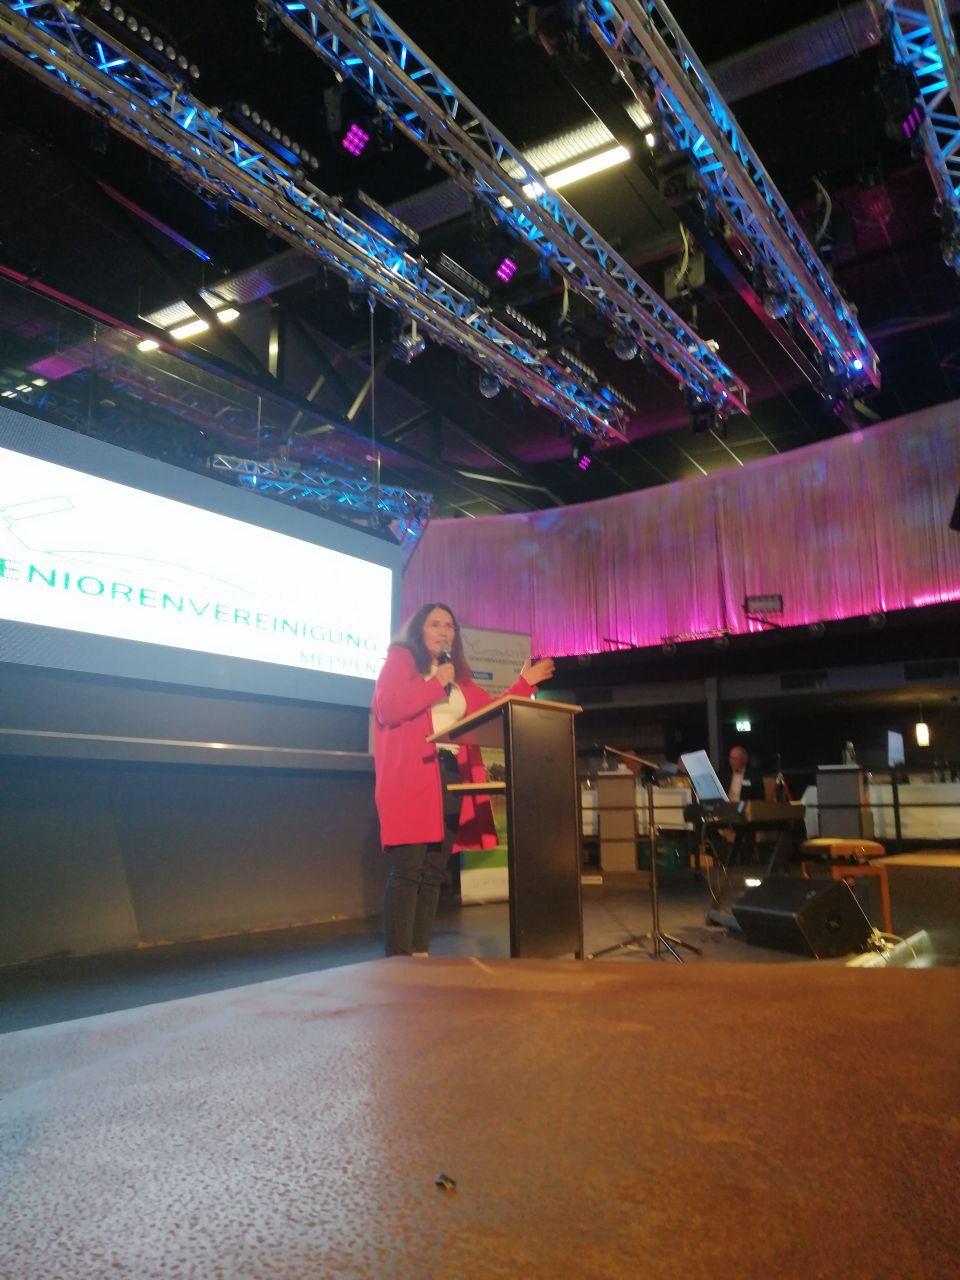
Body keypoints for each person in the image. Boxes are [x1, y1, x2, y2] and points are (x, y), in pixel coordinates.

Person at [372, 602, 555, 957]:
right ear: (419, 630)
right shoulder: (401, 659)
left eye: (449, 626)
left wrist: (525, 684)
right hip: (412, 776)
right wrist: (436, 683)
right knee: (409, 869)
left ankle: (419, 954)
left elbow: (488, 711)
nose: (443, 631)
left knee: (432, 872)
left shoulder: (459, 678)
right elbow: (388, 708)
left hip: (450, 775)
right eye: (435, 624)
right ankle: (397, 961)